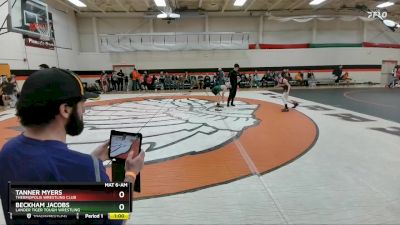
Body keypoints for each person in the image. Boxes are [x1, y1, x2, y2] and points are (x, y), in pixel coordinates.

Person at [0, 68, 145, 225]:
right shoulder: (86, 169)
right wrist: (131, 173)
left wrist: (91, 161)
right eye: (82, 104)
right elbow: (118, 217)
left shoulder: (8, 152)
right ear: (65, 109)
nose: (84, 110)